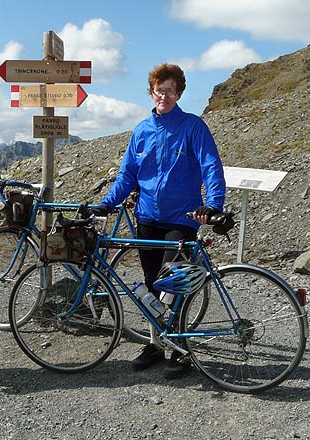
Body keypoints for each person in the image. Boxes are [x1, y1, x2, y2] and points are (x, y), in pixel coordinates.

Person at [91, 63, 225, 379]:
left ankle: (179, 349)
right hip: (148, 217)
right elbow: (128, 175)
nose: (163, 95)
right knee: (151, 286)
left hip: (183, 219)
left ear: (178, 93)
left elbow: (211, 167)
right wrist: (106, 204)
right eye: (158, 89)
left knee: (173, 286)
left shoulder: (193, 127)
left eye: (169, 90)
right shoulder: (141, 131)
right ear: (151, 92)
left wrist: (214, 204)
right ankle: (155, 345)